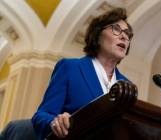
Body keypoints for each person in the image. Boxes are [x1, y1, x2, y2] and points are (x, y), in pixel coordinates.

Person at [32, 7, 135, 140]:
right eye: (116, 29)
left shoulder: (127, 86)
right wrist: (55, 122)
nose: (124, 36)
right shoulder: (70, 68)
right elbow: (41, 115)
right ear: (97, 36)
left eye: (128, 34)